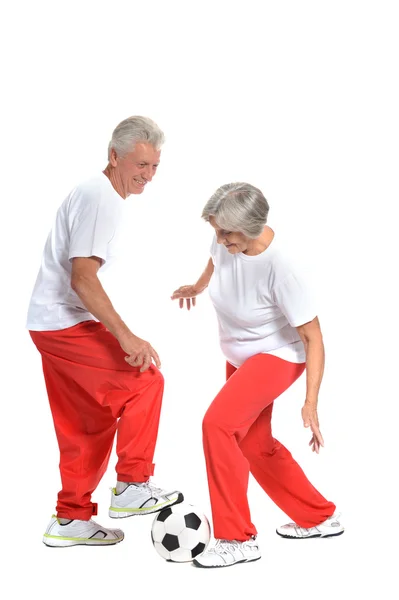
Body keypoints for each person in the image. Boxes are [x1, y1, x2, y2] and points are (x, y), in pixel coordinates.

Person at [27, 116, 183, 548]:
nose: (147, 175)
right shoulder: (102, 198)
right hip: (63, 321)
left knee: (86, 423)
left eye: (154, 167)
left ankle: (70, 519)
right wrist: (127, 338)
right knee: (145, 379)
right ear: (114, 156)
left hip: (49, 321)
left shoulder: (96, 194)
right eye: (140, 164)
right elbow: (83, 278)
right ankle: (133, 485)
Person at [171, 182, 344, 568]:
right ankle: (320, 517)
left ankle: (237, 539)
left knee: (217, 425)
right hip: (240, 355)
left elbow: (313, 338)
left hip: (278, 354)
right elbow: (216, 261)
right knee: (253, 444)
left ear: (249, 227)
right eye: (215, 231)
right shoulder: (226, 239)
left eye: (225, 233)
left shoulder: (282, 268)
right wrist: (197, 286)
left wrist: (311, 403)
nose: (219, 240)